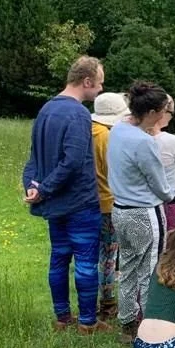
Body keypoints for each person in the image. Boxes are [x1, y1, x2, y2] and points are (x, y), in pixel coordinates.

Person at [22, 56, 113, 334]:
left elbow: (34, 158)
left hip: (54, 204)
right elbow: (72, 162)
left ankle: (62, 318)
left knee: (59, 259)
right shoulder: (78, 114)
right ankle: (87, 322)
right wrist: (44, 189)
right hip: (79, 202)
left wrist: (33, 186)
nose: (100, 89)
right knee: (85, 262)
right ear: (87, 81)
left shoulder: (46, 109)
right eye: (99, 83)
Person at [108, 82, 173, 345]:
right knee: (150, 271)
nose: (164, 115)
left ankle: (127, 324)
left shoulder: (118, 129)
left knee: (128, 269)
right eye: (164, 110)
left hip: (120, 210)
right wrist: (170, 194)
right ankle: (150, 330)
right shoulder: (145, 142)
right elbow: (160, 185)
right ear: (153, 112)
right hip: (145, 212)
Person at [91, 92, 130, 321]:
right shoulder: (106, 136)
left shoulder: (87, 131)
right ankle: (107, 302)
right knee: (108, 254)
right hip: (107, 201)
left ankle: (91, 302)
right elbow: (112, 170)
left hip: (87, 201)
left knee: (92, 254)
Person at [148, 95, 175, 232]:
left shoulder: (131, 138)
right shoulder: (172, 142)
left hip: (145, 203)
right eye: (171, 113)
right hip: (174, 201)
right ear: (162, 112)